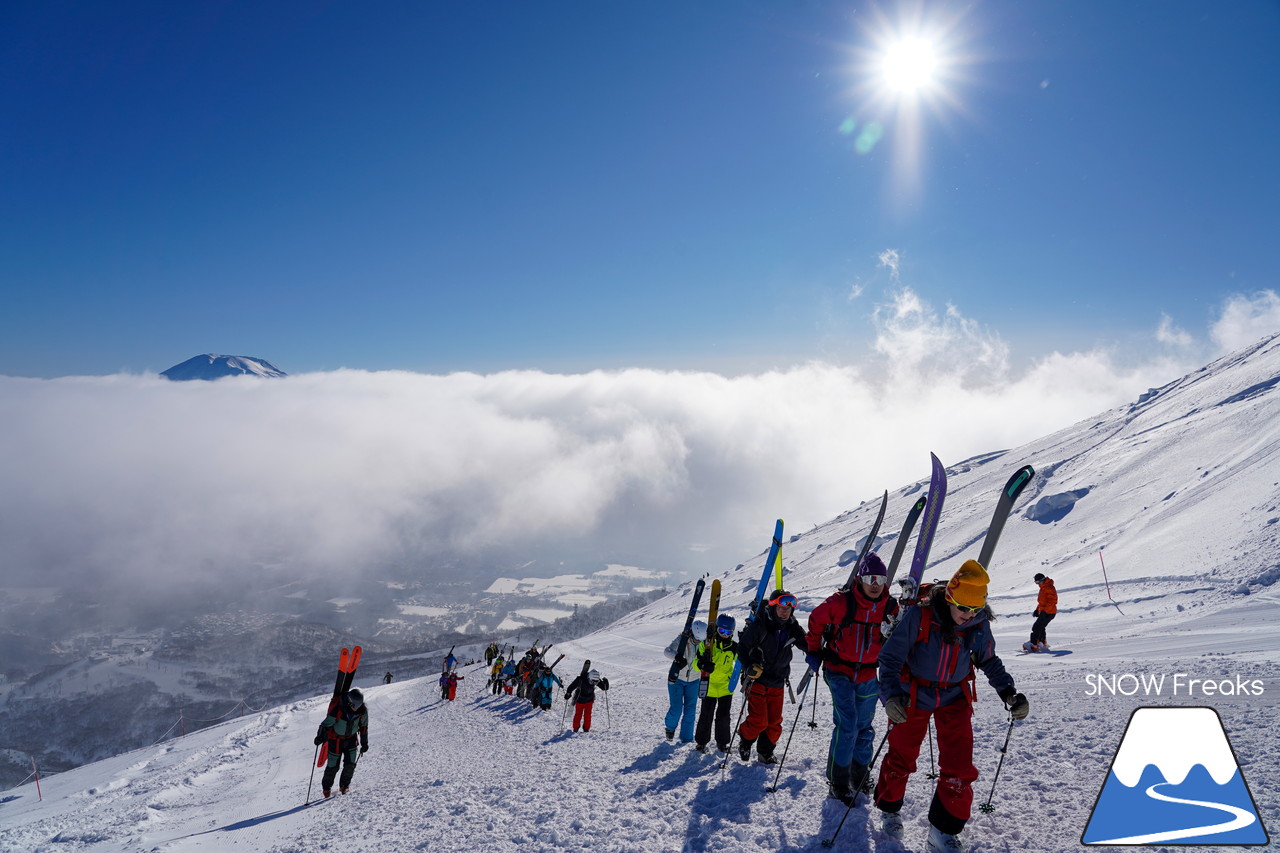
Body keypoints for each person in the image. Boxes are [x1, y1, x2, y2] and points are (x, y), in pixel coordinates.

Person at [874, 560, 1029, 852]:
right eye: (962, 608)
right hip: (914, 692)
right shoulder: (921, 616)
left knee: (959, 766)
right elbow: (890, 658)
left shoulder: (978, 624)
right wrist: (891, 696)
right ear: (949, 598)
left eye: (974, 610)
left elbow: (988, 660)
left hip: (953, 696)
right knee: (901, 756)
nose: (967, 615)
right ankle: (890, 810)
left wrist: (1009, 692)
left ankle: (942, 831)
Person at [805, 552, 899, 804]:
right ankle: (837, 781)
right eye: (870, 578)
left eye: (880, 578)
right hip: (839, 670)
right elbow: (815, 620)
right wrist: (813, 650)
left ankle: (859, 777)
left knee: (864, 729)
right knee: (847, 725)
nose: (875, 584)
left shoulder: (891, 607)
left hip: (868, 672)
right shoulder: (841, 603)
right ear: (860, 579)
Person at [736, 590, 806, 764]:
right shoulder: (760, 625)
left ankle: (765, 752)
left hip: (778, 681)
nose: (786, 610)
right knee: (759, 721)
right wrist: (748, 666)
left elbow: (806, 643)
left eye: (790, 607)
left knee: (774, 724)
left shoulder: (792, 626)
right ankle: (745, 740)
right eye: (782, 606)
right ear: (774, 606)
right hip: (756, 679)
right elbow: (742, 649)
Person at [693, 613, 738, 754]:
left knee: (724, 717)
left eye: (728, 632)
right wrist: (702, 664)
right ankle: (701, 743)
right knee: (706, 715)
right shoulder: (707, 645)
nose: (725, 635)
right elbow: (695, 664)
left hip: (726, 688)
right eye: (722, 631)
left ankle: (722, 743)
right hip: (709, 687)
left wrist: (742, 676)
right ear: (717, 629)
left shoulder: (734, 647)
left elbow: (740, 665)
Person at [314, 687, 369, 797]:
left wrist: (364, 743)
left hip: (351, 740)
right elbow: (325, 725)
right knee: (333, 766)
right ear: (349, 702)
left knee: (350, 765)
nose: (356, 708)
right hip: (336, 740)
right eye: (355, 705)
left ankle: (344, 786)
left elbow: (363, 727)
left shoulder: (362, 711)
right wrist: (320, 737)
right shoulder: (339, 709)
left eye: (359, 705)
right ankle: (326, 788)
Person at [663, 620, 707, 742]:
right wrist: (677, 657)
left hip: (694, 680)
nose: (698, 642)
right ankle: (670, 728)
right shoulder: (683, 639)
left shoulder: (704, 643)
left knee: (690, 710)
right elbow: (667, 651)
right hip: (677, 679)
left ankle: (686, 738)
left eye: (700, 640)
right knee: (677, 708)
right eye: (696, 639)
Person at [1026, 573, 1058, 652]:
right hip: (1046, 611)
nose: (1037, 584)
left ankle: (1033, 644)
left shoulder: (1049, 587)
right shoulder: (1043, 587)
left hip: (1049, 612)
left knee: (1036, 627)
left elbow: (1053, 601)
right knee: (1041, 627)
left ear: (1042, 580)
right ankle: (1042, 643)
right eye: (1036, 583)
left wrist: (1044, 611)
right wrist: (1037, 610)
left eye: (1038, 582)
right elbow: (1042, 602)